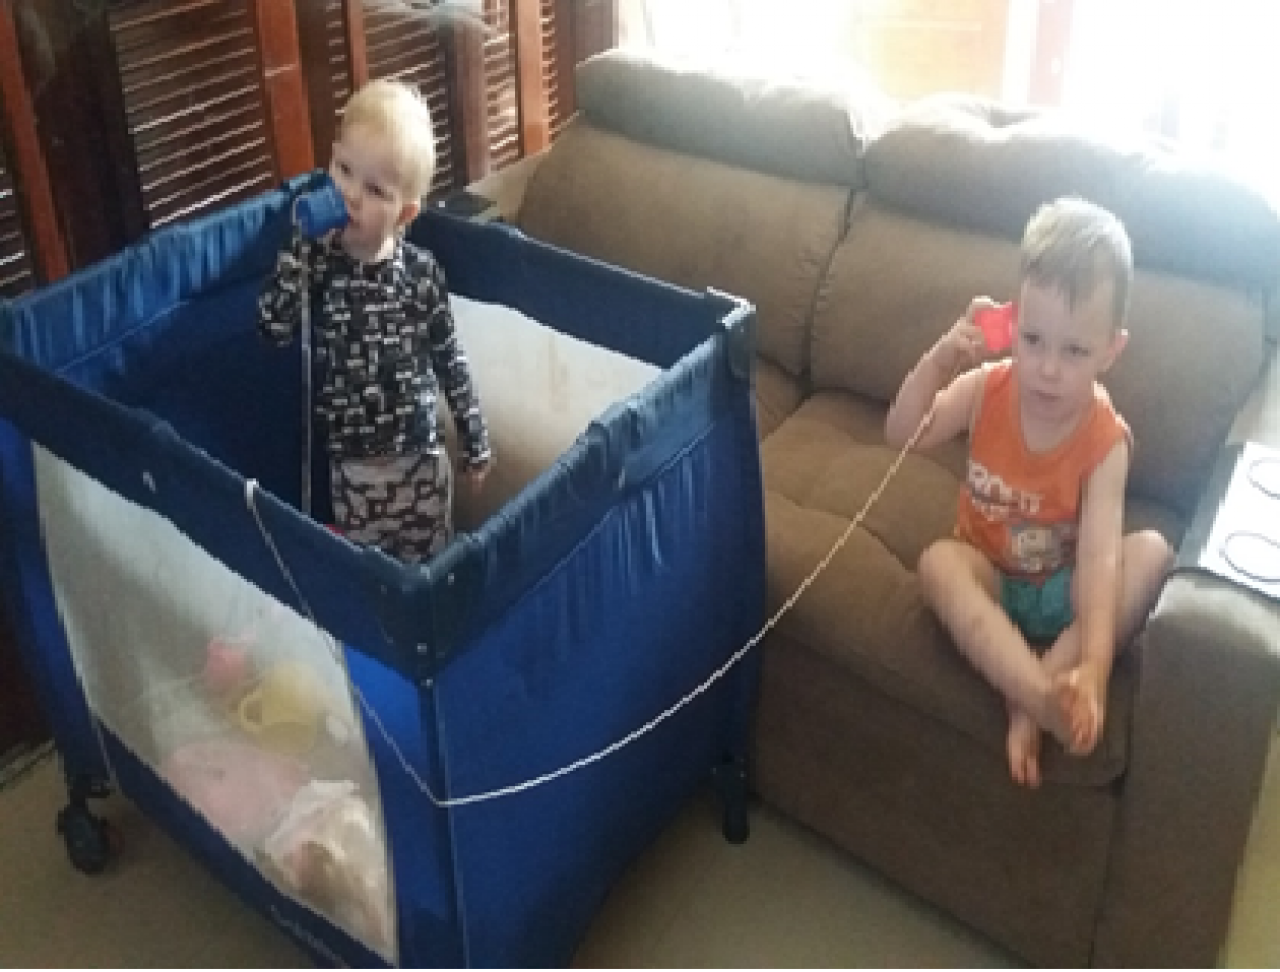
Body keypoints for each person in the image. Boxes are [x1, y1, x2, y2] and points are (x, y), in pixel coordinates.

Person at [884, 196, 1173, 789]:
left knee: (1151, 553)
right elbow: (901, 434)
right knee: (938, 564)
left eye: (1075, 351)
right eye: (1034, 339)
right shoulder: (985, 388)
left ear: (1110, 351)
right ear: (1012, 322)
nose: (1047, 368)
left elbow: (1099, 559)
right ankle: (1040, 700)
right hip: (989, 571)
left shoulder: (1106, 440)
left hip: (1067, 587)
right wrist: (939, 361)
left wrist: (1093, 668)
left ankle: (1039, 692)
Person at [258, 78, 492, 564]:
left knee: (430, 570)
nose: (349, 194)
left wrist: (473, 436)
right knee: (369, 580)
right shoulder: (318, 266)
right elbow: (272, 329)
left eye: (373, 189)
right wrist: (297, 254)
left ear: (404, 212)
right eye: (343, 169)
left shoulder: (422, 274)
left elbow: (450, 359)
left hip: (420, 464)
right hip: (353, 471)